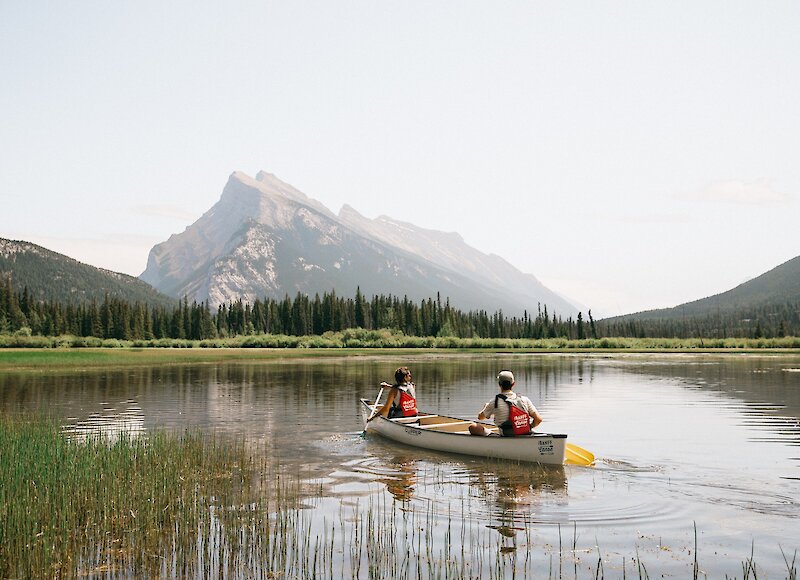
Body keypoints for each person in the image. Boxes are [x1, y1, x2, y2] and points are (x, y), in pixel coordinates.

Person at [469, 370, 542, 436]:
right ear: (513, 384)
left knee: (472, 426)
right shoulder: (525, 399)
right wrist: (529, 427)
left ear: (499, 384)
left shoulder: (495, 402)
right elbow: (538, 419)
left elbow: (480, 417)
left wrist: (486, 406)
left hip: (506, 435)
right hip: (525, 433)